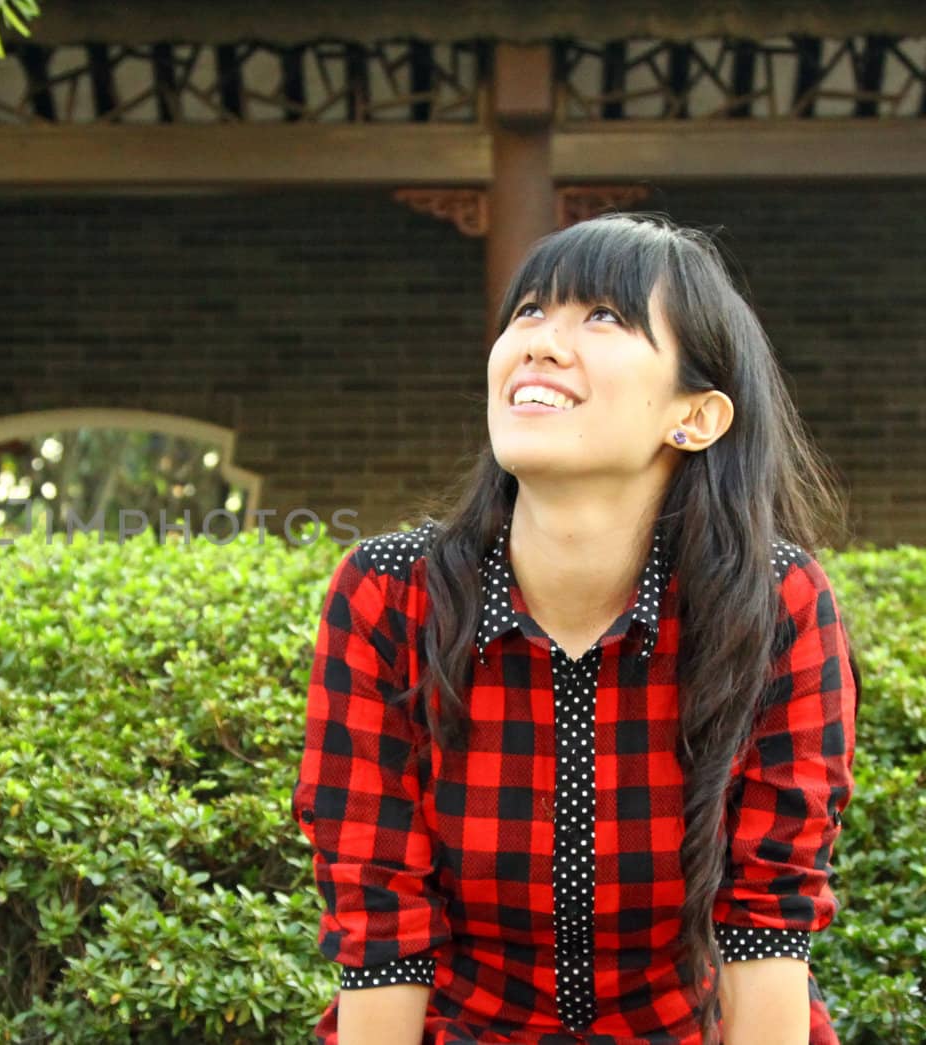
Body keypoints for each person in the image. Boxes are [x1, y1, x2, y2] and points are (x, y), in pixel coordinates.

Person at [291, 213, 861, 1045]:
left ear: (695, 417)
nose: (542, 343)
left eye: (603, 317)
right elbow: (381, 922)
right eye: (528, 311)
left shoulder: (775, 603)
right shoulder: (389, 595)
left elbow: (765, 921)